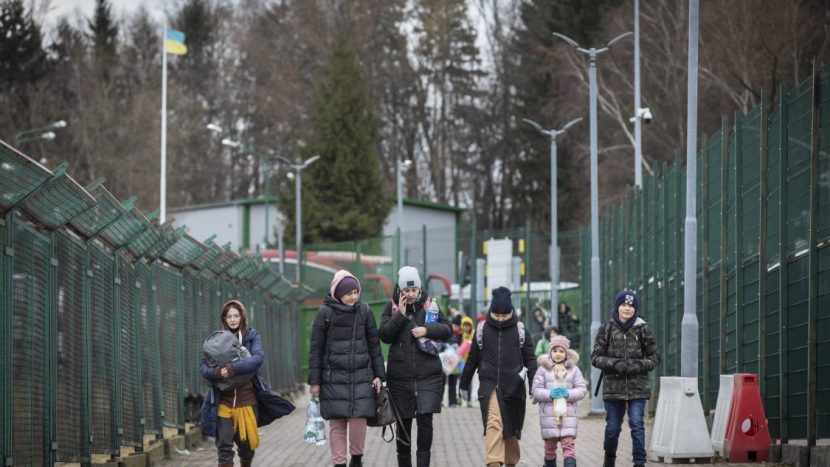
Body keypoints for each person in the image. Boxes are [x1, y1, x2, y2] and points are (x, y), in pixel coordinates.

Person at [201, 300, 295, 467]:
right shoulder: (215, 340)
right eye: (228, 316)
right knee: (224, 447)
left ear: (242, 316)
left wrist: (232, 369)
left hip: (247, 399)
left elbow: (257, 360)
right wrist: (217, 373)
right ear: (223, 319)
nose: (232, 319)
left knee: (247, 446)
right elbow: (203, 367)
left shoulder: (252, 336)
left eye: (236, 315)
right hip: (223, 400)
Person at [308, 270, 386, 467]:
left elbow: (374, 345)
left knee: (359, 419)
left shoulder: (365, 311)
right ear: (338, 294)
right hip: (333, 378)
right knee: (337, 423)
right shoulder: (325, 313)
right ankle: (340, 463)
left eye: (356, 292)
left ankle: (357, 459)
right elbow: (315, 349)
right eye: (348, 293)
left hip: (362, 376)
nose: (353, 297)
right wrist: (315, 381)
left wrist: (379, 375)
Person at [379, 266, 452, 467]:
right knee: (404, 427)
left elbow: (448, 329)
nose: (411, 294)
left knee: (425, 423)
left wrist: (427, 329)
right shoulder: (391, 308)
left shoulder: (431, 306)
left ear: (420, 289)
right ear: (400, 290)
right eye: (406, 291)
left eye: (414, 290)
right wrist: (400, 316)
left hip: (428, 375)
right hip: (400, 379)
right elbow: (384, 335)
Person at [459, 287, 538, 467]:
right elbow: (472, 359)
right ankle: (494, 462)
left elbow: (530, 360)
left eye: (504, 315)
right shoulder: (482, 330)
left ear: (511, 312)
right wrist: (463, 384)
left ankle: (511, 461)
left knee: (510, 429)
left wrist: (534, 384)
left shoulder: (520, 330)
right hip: (489, 386)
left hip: (514, 387)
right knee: (493, 423)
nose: (501, 319)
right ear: (491, 312)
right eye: (497, 315)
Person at [591, 290, 660, 467]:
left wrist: (639, 365)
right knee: (613, 428)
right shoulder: (606, 329)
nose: (627, 309)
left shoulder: (643, 329)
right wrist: (615, 364)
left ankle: (639, 462)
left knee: (637, 424)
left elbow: (654, 358)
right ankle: (609, 459)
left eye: (631, 306)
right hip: (613, 389)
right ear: (617, 306)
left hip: (638, 387)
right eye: (623, 305)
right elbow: (595, 357)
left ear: (635, 309)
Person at [531, 335, 587, 467]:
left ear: (566, 353)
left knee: (569, 446)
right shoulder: (543, 369)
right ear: (550, 352)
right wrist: (549, 394)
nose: (558, 354)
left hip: (568, 416)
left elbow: (582, 389)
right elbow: (536, 390)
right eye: (555, 351)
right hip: (549, 417)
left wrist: (568, 393)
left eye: (561, 351)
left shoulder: (574, 370)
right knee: (549, 447)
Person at [457, 315, 475, 407]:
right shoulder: (460, 335)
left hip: (470, 362)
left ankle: (469, 400)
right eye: (465, 325)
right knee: (461, 380)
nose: (466, 327)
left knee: (469, 381)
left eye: (468, 325)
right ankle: (460, 398)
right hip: (460, 362)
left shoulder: (473, 336)